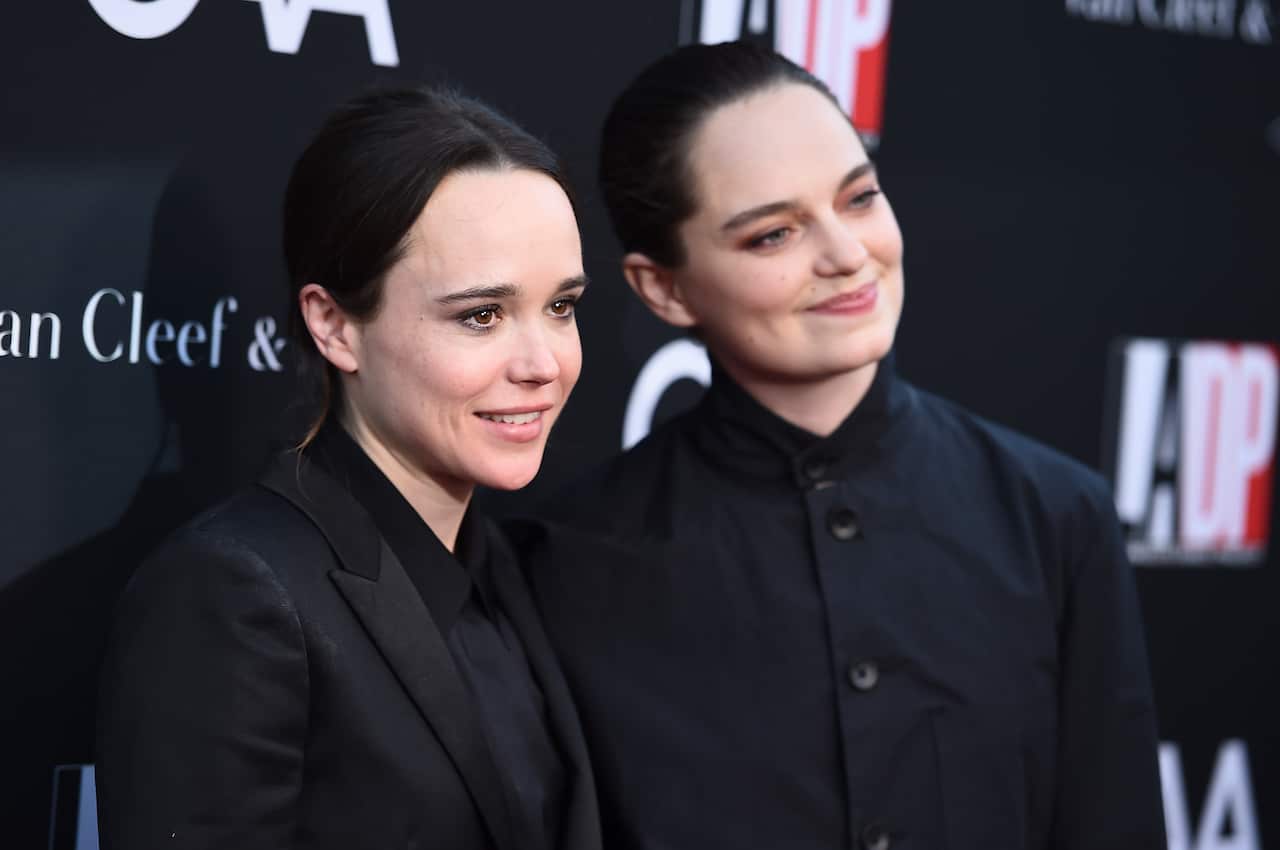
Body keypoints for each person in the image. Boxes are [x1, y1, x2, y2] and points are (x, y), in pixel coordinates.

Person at [511, 42, 1166, 849]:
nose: (847, 255)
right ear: (664, 288)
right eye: (773, 235)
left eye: (860, 199)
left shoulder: (1055, 516)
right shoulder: (559, 566)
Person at [96, 85, 601, 850]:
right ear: (333, 325)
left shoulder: (514, 571)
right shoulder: (235, 595)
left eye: (560, 307)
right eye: (481, 315)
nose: (543, 364)